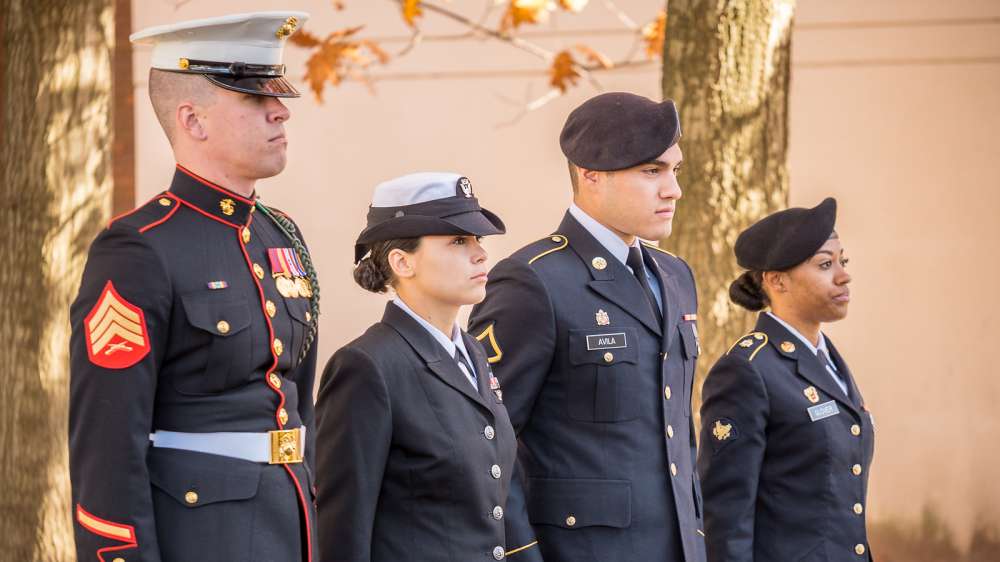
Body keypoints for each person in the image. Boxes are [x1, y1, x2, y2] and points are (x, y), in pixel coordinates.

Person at [68, 12, 320, 562]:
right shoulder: (138, 250)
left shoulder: (281, 236)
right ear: (193, 120)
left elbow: (299, 403)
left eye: (277, 96)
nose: (280, 110)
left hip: (290, 525)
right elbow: (107, 447)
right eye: (254, 98)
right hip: (201, 538)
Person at [468, 92, 706, 562]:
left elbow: (678, 431)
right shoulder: (534, 281)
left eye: (675, 170)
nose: (673, 189)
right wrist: (521, 553)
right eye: (652, 171)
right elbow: (486, 440)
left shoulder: (675, 275)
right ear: (590, 174)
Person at [315, 172, 518, 562]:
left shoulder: (473, 353)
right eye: (458, 241)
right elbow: (343, 528)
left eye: (477, 239)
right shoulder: (367, 366)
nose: (480, 253)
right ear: (402, 262)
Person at [697, 198, 874, 562]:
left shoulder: (827, 359)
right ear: (777, 280)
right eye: (825, 264)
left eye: (842, 262)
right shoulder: (747, 370)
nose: (843, 276)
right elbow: (726, 518)